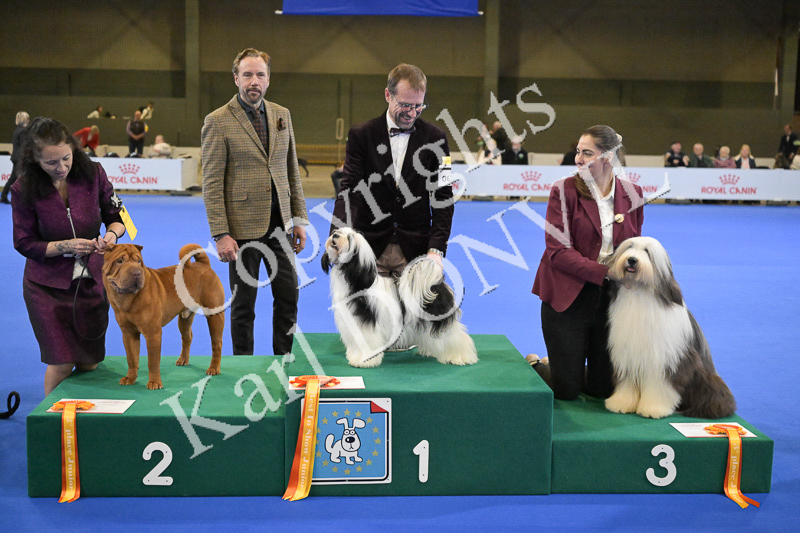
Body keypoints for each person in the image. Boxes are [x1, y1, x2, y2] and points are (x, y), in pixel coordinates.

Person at [202, 48, 308, 356]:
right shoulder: (217, 121)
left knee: (288, 298)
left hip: (280, 227)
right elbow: (211, 184)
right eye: (247, 74)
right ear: (236, 78)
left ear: (268, 79)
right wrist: (221, 234)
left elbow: (291, 171)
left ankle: (284, 360)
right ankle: (242, 367)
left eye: (260, 75)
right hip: (240, 231)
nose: (254, 81)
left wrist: (299, 219)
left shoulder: (282, 114)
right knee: (243, 307)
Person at [10, 117, 125, 395]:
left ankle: (79, 416)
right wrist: (66, 246)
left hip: (92, 283)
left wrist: (112, 235)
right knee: (61, 363)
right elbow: (24, 243)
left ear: (74, 149)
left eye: (66, 158)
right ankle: (53, 420)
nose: (61, 167)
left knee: (89, 363)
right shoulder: (22, 189)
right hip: (46, 288)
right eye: (51, 162)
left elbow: (119, 217)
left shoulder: (94, 173)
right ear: (35, 158)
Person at [530, 125, 644, 401]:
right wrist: (606, 271)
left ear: (608, 158)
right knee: (565, 390)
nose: (578, 159)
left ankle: (567, 365)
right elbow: (558, 251)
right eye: (578, 151)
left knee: (603, 389)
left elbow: (635, 246)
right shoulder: (563, 190)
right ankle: (538, 365)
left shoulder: (634, 194)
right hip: (567, 296)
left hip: (610, 300)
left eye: (587, 153)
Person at [330, 63, 454, 278]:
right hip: (368, 251)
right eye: (405, 105)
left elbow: (443, 197)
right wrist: (339, 234)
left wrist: (436, 248)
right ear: (388, 95)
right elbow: (349, 191)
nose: (412, 113)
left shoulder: (438, 139)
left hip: (416, 253)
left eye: (419, 106)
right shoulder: (361, 135)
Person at [1, 111, 30, 204]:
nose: (29, 121)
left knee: (14, 178)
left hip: (15, 157)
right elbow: (23, 146)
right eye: (28, 119)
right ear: (25, 120)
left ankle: (4, 195)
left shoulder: (17, 130)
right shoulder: (23, 131)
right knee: (17, 178)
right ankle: (5, 195)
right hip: (20, 158)